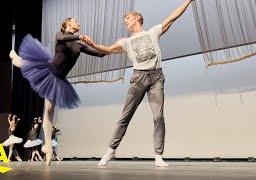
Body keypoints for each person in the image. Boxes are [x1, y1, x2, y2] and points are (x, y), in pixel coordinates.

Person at [81, 0, 194, 167]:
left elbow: (172, 17)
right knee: (125, 116)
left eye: (127, 17)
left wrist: (188, 1)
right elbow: (109, 50)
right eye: (125, 18)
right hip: (138, 78)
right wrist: (92, 44)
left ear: (137, 18)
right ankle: (111, 150)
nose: (125, 20)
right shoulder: (125, 42)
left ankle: (158, 156)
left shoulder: (153, 32)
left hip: (156, 77)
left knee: (158, 116)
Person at [9, 17, 105, 166]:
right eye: (75, 20)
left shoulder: (79, 46)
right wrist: (80, 36)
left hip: (58, 80)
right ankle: (14, 57)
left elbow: (100, 54)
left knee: (48, 111)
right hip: (49, 71)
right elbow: (63, 37)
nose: (78, 22)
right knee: (26, 65)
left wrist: (114, 49)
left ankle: (47, 146)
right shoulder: (60, 36)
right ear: (67, 24)